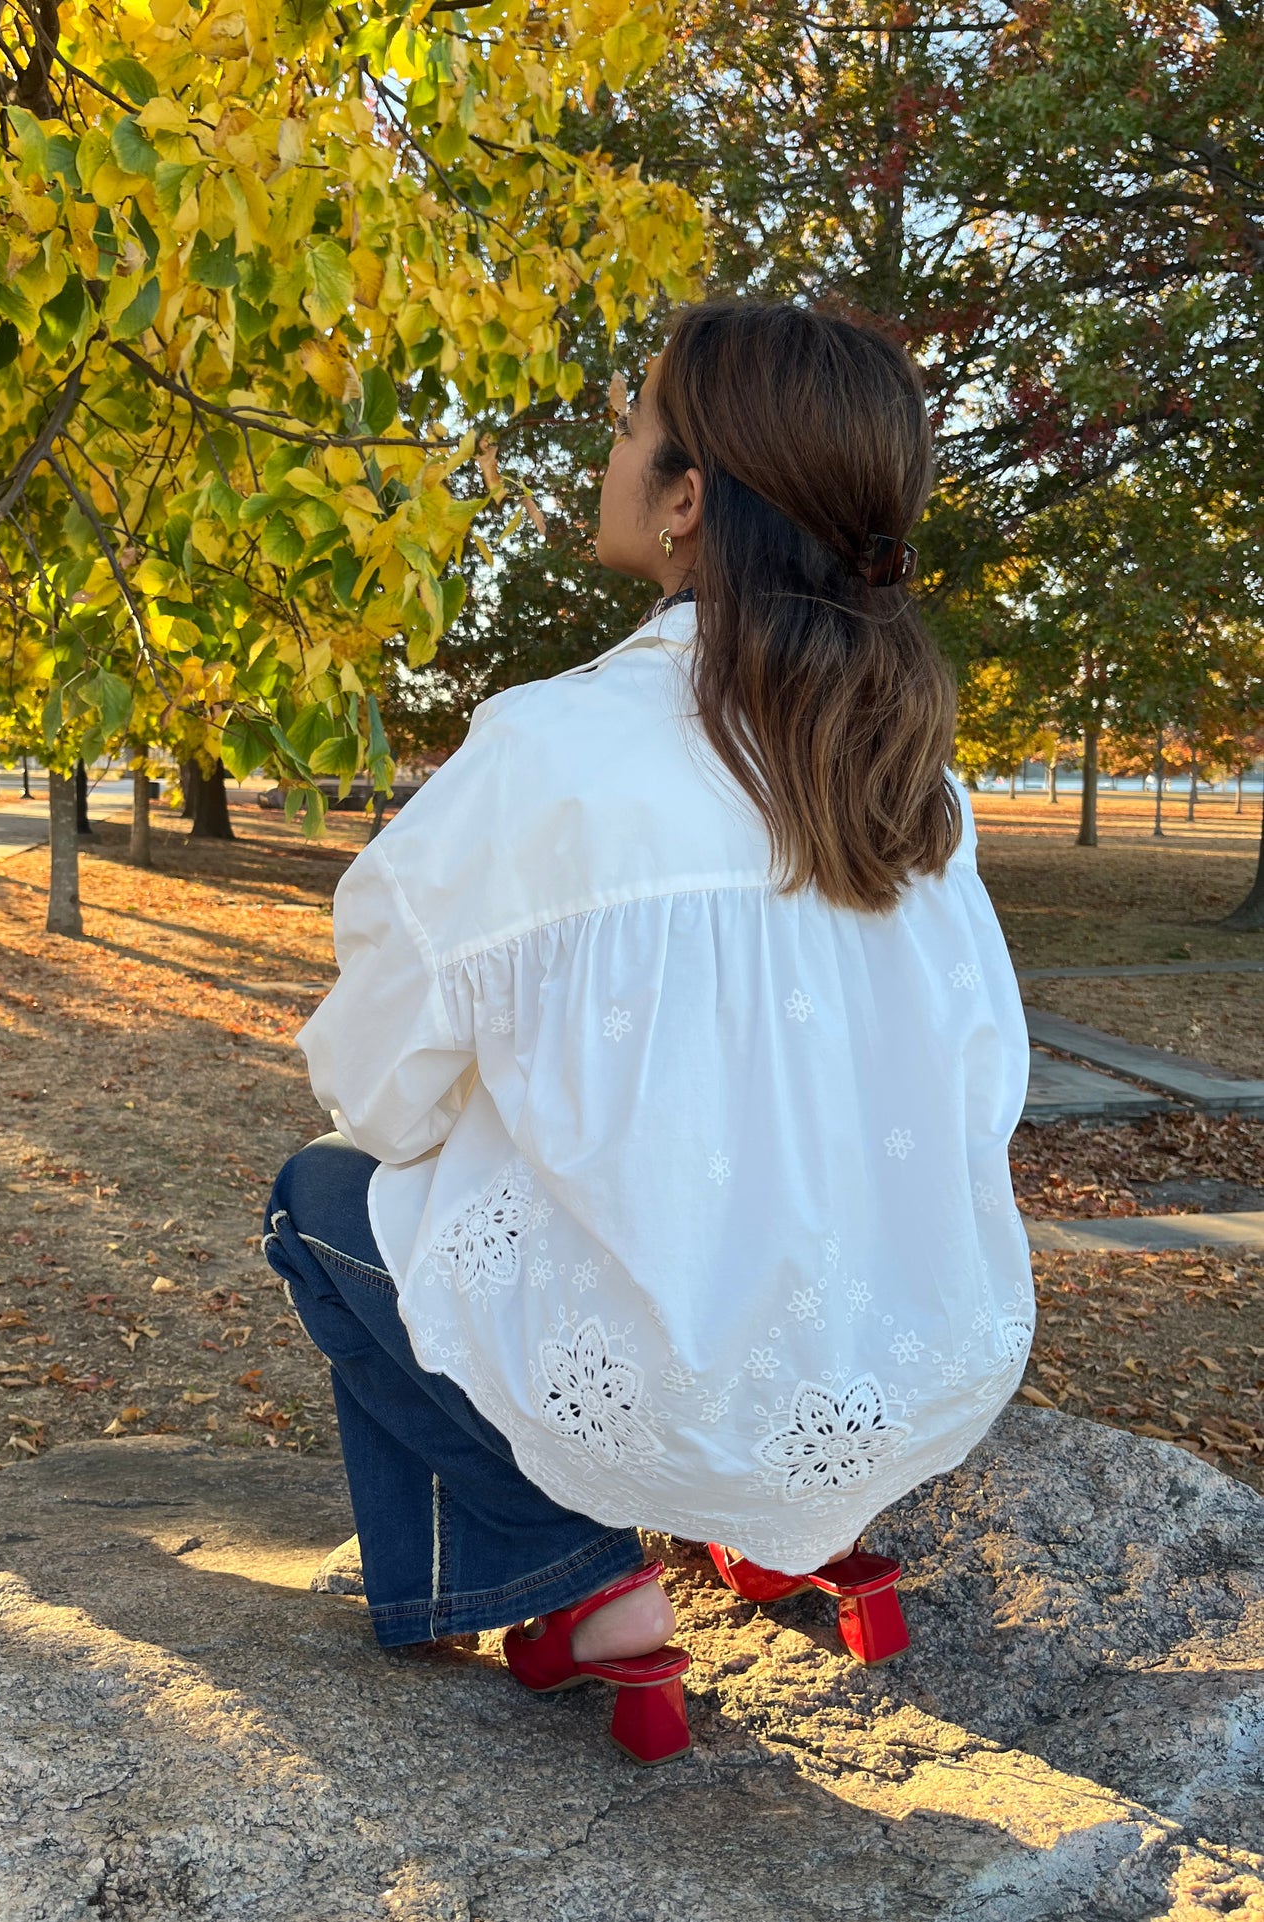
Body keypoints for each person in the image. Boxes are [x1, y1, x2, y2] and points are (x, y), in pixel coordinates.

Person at [263, 298, 1033, 1765]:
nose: (607, 451)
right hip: (914, 1371)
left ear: (685, 502)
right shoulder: (913, 785)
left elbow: (375, 1086)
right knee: (702, 1224)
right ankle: (780, 1531)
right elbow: (974, 1089)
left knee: (321, 1201)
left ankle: (576, 1588)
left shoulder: (552, 754)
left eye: (627, 425)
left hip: (683, 1390)